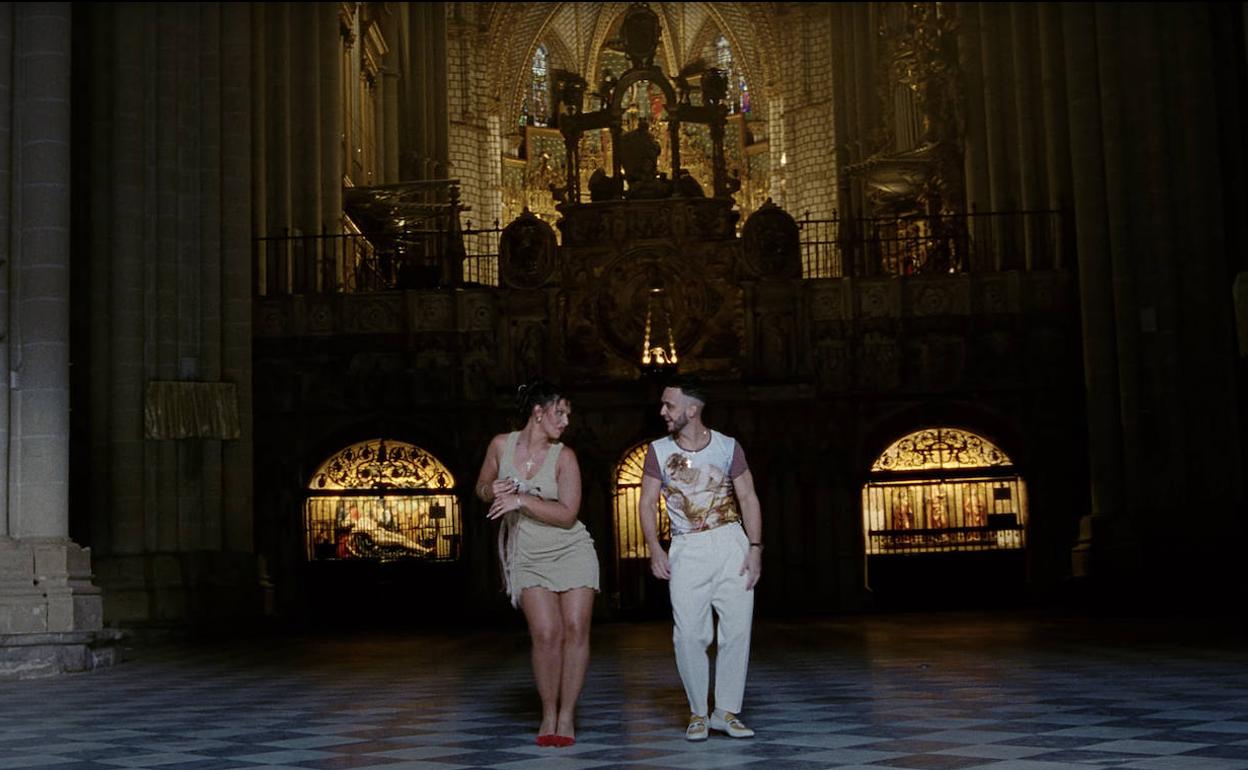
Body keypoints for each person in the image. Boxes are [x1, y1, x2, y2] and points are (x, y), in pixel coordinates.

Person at [475, 380, 599, 748]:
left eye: (568, 415)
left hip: (572, 549)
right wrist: (492, 490)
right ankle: (548, 712)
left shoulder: (565, 456)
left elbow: (567, 513)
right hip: (527, 553)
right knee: (546, 633)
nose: (565, 421)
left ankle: (566, 715)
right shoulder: (501, 445)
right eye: (560, 413)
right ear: (538, 412)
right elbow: (481, 487)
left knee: (575, 629)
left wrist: (522, 501)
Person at [638, 376, 763, 741]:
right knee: (689, 634)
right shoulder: (658, 451)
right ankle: (698, 712)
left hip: (730, 541)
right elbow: (647, 502)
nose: (663, 411)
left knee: (736, 629)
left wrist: (755, 548)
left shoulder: (727, 446)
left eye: (670, 405)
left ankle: (725, 712)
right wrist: (655, 547)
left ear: (692, 410)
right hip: (687, 545)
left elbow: (748, 497)